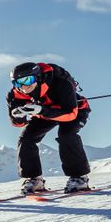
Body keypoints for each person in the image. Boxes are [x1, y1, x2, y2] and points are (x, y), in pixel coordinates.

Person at [6, 62, 92, 194]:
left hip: (73, 111)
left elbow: (70, 114)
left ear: (38, 77)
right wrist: (18, 116)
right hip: (44, 115)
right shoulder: (15, 95)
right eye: (18, 83)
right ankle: (34, 179)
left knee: (66, 135)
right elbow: (18, 124)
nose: (24, 86)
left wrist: (41, 110)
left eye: (28, 80)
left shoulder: (60, 83)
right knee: (26, 138)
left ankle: (79, 177)